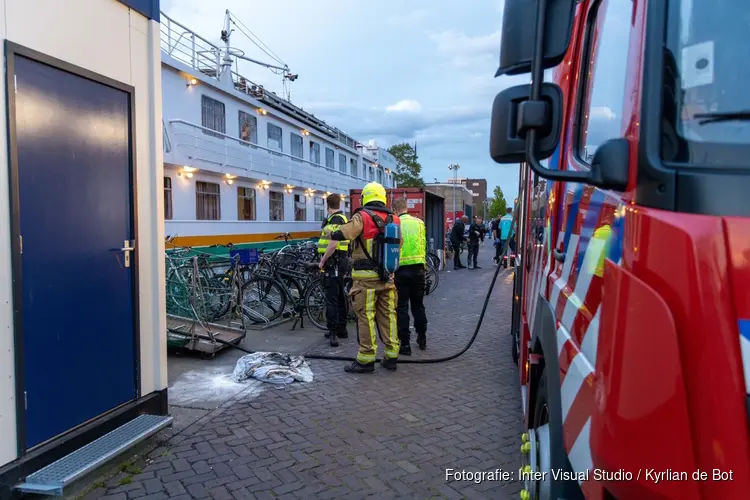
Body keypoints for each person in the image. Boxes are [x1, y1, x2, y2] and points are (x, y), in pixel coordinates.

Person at [319, 182, 402, 373]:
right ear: (382, 198)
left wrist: (327, 230)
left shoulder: (362, 216)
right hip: (388, 277)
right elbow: (399, 245)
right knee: (388, 316)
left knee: (365, 317)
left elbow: (343, 234)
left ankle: (366, 359)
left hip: (366, 280)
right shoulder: (395, 219)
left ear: (365, 198)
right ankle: (391, 356)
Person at [391, 198, 428, 354]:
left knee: (402, 307)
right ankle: (422, 337)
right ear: (406, 208)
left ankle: (405, 344)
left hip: (401, 271)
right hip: (418, 270)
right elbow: (423, 243)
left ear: (395, 210)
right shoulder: (419, 223)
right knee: (418, 305)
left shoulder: (395, 223)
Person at [317, 193, 350, 347]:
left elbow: (333, 244)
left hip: (334, 261)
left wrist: (322, 261)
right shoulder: (339, 219)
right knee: (340, 294)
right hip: (340, 261)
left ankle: (333, 332)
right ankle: (342, 328)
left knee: (332, 298)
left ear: (327, 205)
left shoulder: (336, 220)